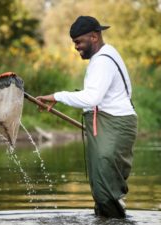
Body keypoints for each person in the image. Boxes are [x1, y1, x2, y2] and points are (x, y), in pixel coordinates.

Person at [36, 16, 137, 218]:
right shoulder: (108, 54)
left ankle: (115, 221)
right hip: (112, 123)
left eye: (79, 42)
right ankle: (106, 221)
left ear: (94, 36)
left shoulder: (102, 62)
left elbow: (92, 97)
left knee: (104, 189)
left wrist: (57, 96)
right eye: (74, 42)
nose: (76, 47)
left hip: (114, 124)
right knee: (102, 188)